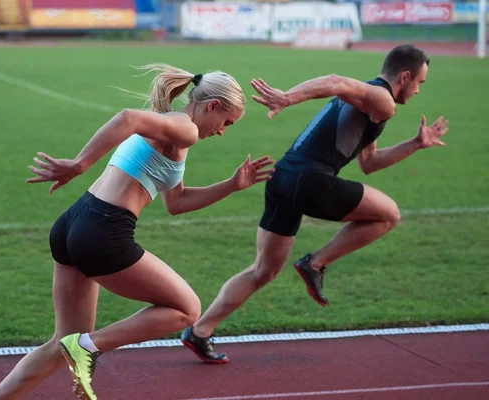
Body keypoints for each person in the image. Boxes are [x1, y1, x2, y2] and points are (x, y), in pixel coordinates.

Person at [0, 63, 274, 400]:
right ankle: (89, 347)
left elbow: (176, 202)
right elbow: (127, 118)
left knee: (59, 344)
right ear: (213, 106)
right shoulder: (185, 129)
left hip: (73, 224)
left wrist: (231, 185)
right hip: (102, 231)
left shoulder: (174, 131)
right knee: (187, 310)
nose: (223, 131)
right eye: (227, 122)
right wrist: (79, 164)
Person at [181, 44, 450, 364]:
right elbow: (335, 80)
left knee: (263, 271)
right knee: (389, 214)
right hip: (310, 181)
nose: (419, 90)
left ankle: (199, 331)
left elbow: (370, 163)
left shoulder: (368, 100)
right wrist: (287, 97)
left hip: (281, 179)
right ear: (405, 76)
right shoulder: (382, 100)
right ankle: (315, 263)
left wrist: (416, 143)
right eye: (419, 82)